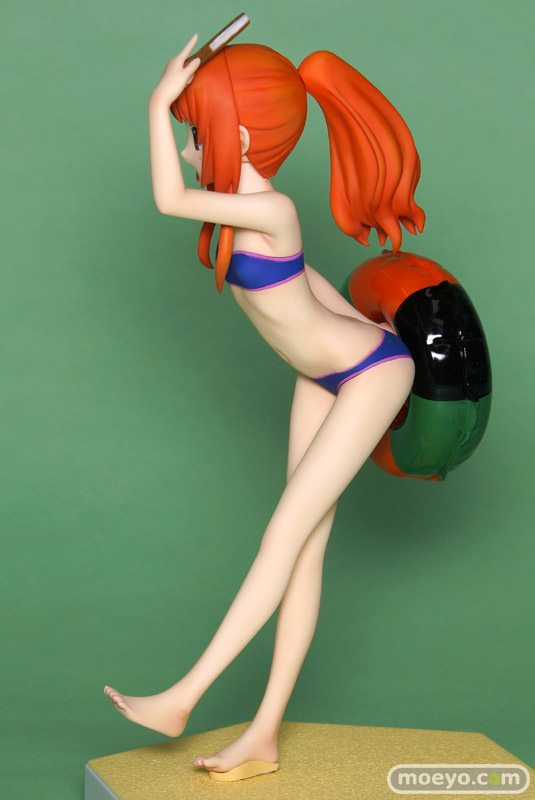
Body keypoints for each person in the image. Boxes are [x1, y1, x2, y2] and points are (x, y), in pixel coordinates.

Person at [104, 32, 423, 781]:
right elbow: (302, 287)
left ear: (241, 136)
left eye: (197, 129)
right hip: (326, 372)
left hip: (371, 374)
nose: (190, 145)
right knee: (303, 550)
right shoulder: (245, 210)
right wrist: (349, 323)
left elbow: (167, 198)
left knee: (281, 536)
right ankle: (263, 737)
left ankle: (183, 697)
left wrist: (156, 101)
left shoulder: (270, 208)